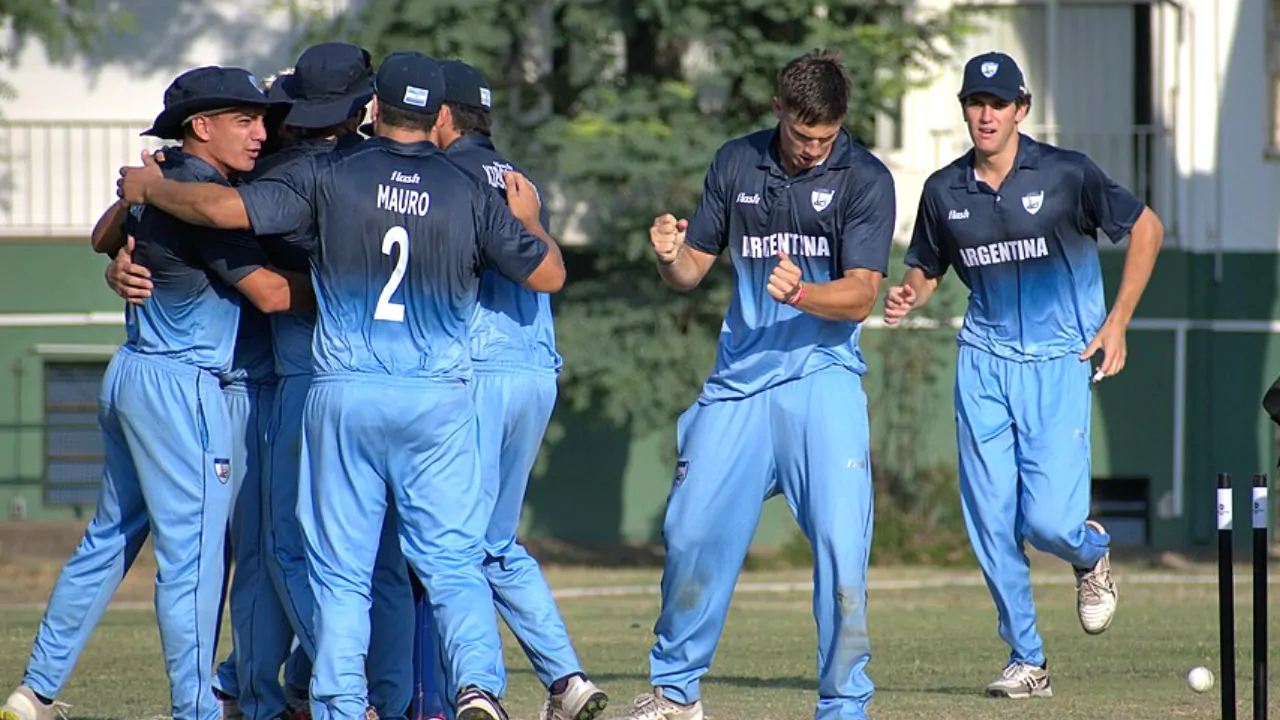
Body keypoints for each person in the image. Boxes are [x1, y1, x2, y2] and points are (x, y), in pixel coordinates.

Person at [115, 51, 567, 720]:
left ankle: (339, 704)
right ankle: (476, 686)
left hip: (346, 393)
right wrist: (528, 223)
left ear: (376, 110)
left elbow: (219, 210)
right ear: (437, 115)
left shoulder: (329, 177)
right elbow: (549, 276)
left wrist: (149, 190)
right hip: (438, 398)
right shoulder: (471, 188)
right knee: (452, 561)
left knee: (340, 568)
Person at [101, 43, 416, 720]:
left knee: (287, 549)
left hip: (299, 384)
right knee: (381, 561)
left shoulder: (288, 172)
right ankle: (343, 694)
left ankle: (336, 695)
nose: (262, 129)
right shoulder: (409, 174)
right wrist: (125, 254)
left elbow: (226, 230)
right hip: (411, 384)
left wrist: (150, 192)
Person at [0, 66, 309, 720]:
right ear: (201, 126)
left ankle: (34, 692)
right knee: (194, 562)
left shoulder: (166, 177)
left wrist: (132, 211)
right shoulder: (193, 193)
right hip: (186, 390)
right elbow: (270, 294)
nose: (261, 132)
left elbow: (103, 236)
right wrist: (351, 290)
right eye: (245, 120)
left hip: (134, 375)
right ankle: (196, 710)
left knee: (108, 539)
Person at [608, 49, 895, 720]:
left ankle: (844, 705)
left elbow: (859, 298)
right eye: (802, 136)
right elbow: (692, 273)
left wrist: (805, 294)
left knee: (841, 549)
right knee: (688, 534)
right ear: (778, 112)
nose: (813, 150)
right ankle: (676, 695)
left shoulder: (865, 179)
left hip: (820, 381)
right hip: (738, 384)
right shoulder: (735, 163)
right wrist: (671, 256)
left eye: (825, 138)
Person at [882, 51, 1163, 698]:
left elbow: (1147, 228)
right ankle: (1027, 658)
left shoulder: (1066, 174)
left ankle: (1090, 553)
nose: (985, 114)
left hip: (1057, 364)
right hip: (982, 362)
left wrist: (1118, 320)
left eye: (998, 103)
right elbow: (926, 267)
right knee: (990, 522)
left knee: (1048, 525)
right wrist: (911, 294)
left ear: (1021, 109)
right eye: (974, 102)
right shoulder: (944, 190)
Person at [406, 59, 608, 720]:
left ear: (442, 116)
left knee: (452, 546)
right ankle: (565, 681)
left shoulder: (445, 176)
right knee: (495, 543)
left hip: (478, 373)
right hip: (534, 373)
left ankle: (477, 689)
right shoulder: (516, 176)